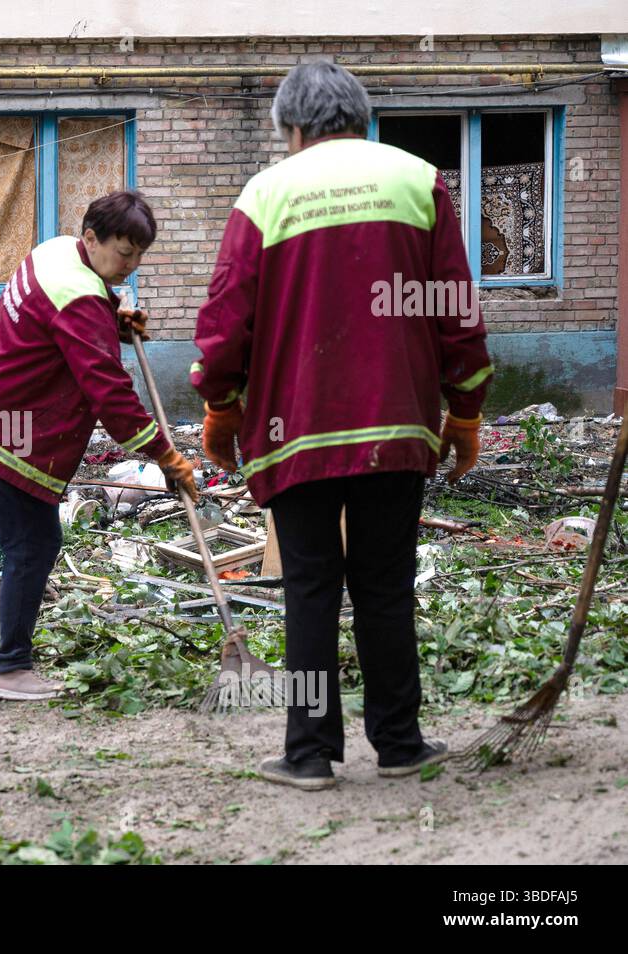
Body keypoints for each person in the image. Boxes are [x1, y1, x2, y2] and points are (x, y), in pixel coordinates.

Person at [193, 62, 492, 789]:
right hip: (396, 425)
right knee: (387, 585)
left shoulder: (266, 193)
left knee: (310, 589)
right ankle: (400, 745)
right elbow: (454, 308)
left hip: (296, 430)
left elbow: (229, 318)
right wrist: (466, 410)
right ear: (359, 117)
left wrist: (220, 403)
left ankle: (309, 755)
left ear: (292, 129)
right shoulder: (418, 181)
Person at [0, 190, 199, 701]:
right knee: (35, 544)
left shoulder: (55, 250)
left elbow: (60, 315)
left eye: (139, 254)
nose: (131, 265)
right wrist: (165, 454)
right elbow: (111, 396)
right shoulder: (82, 300)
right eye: (124, 253)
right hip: (8, 431)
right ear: (92, 239)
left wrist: (113, 318)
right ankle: (11, 669)